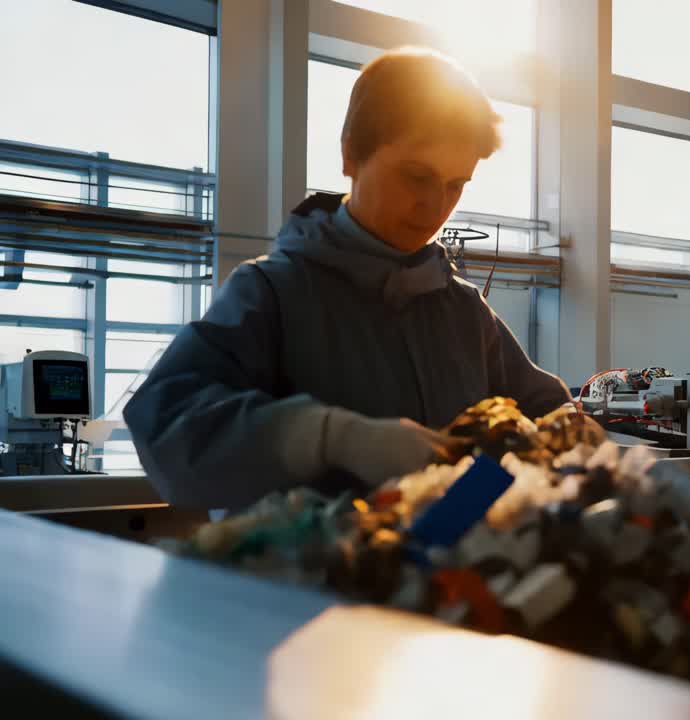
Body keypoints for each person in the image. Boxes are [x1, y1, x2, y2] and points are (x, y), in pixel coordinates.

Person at [124, 47, 570, 509]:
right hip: (302, 577)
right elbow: (165, 425)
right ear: (350, 155)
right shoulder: (271, 294)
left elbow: (540, 407)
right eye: (416, 176)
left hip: (452, 577)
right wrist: (327, 437)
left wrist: (573, 430)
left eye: (456, 184)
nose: (436, 204)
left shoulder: (462, 311)